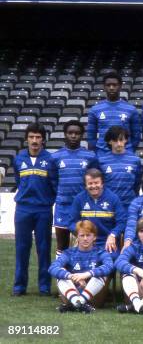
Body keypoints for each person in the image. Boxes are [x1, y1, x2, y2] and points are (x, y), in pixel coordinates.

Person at [12, 123, 57, 296]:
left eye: (38, 137)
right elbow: (18, 181)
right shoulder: (18, 159)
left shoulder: (50, 160)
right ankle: (19, 286)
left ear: (43, 140)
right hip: (23, 209)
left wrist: (46, 202)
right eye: (31, 137)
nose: (35, 141)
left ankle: (44, 286)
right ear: (26, 139)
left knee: (44, 248)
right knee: (22, 247)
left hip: (43, 210)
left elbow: (54, 184)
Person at [51, 120, 98, 257]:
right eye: (70, 133)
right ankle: (62, 277)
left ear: (82, 135)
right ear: (65, 134)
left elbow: (94, 181)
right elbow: (53, 181)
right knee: (62, 245)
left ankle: (84, 275)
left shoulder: (90, 156)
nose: (73, 136)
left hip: (83, 207)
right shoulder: (56, 157)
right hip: (62, 206)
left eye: (77, 133)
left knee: (86, 243)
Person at [49, 220, 114, 313]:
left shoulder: (101, 252)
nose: (85, 239)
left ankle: (76, 303)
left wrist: (86, 275)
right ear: (77, 237)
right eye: (82, 235)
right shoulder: (69, 253)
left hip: (93, 296)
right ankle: (78, 302)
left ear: (94, 237)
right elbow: (52, 267)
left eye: (88, 235)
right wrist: (71, 276)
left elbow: (109, 266)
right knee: (61, 272)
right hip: (72, 291)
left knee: (102, 273)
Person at [68, 168, 127, 260]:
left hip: (107, 241)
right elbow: (71, 222)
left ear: (102, 183)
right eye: (90, 183)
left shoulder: (113, 198)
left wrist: (113, 235)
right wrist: (80, 234)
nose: (93, 186)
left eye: (96, 183)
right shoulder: (79, 199)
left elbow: (122, 222)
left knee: (111, 258)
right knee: (75, 259)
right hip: (86, 239)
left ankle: (109, 275)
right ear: (85, 185)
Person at [87, 72, 140, 155]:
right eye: (108, 85)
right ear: (104, 87)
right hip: (102, 154)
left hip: (125, 153)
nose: (111, 88)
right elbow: (91, 136)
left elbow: (136, 135)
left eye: (115, 85)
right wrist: (98, 151)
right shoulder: (95, 109)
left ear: (120, 86)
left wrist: (129, 150)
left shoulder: (131, 109)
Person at [98, 126, 143, 210]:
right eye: (115, 140)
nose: (119, 143)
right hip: (108, 205)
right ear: (110, 141)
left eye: (121, 140)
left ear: (125, 140)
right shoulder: (101, 160)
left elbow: (137, 183)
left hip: (129, 205)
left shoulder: (135, 160)